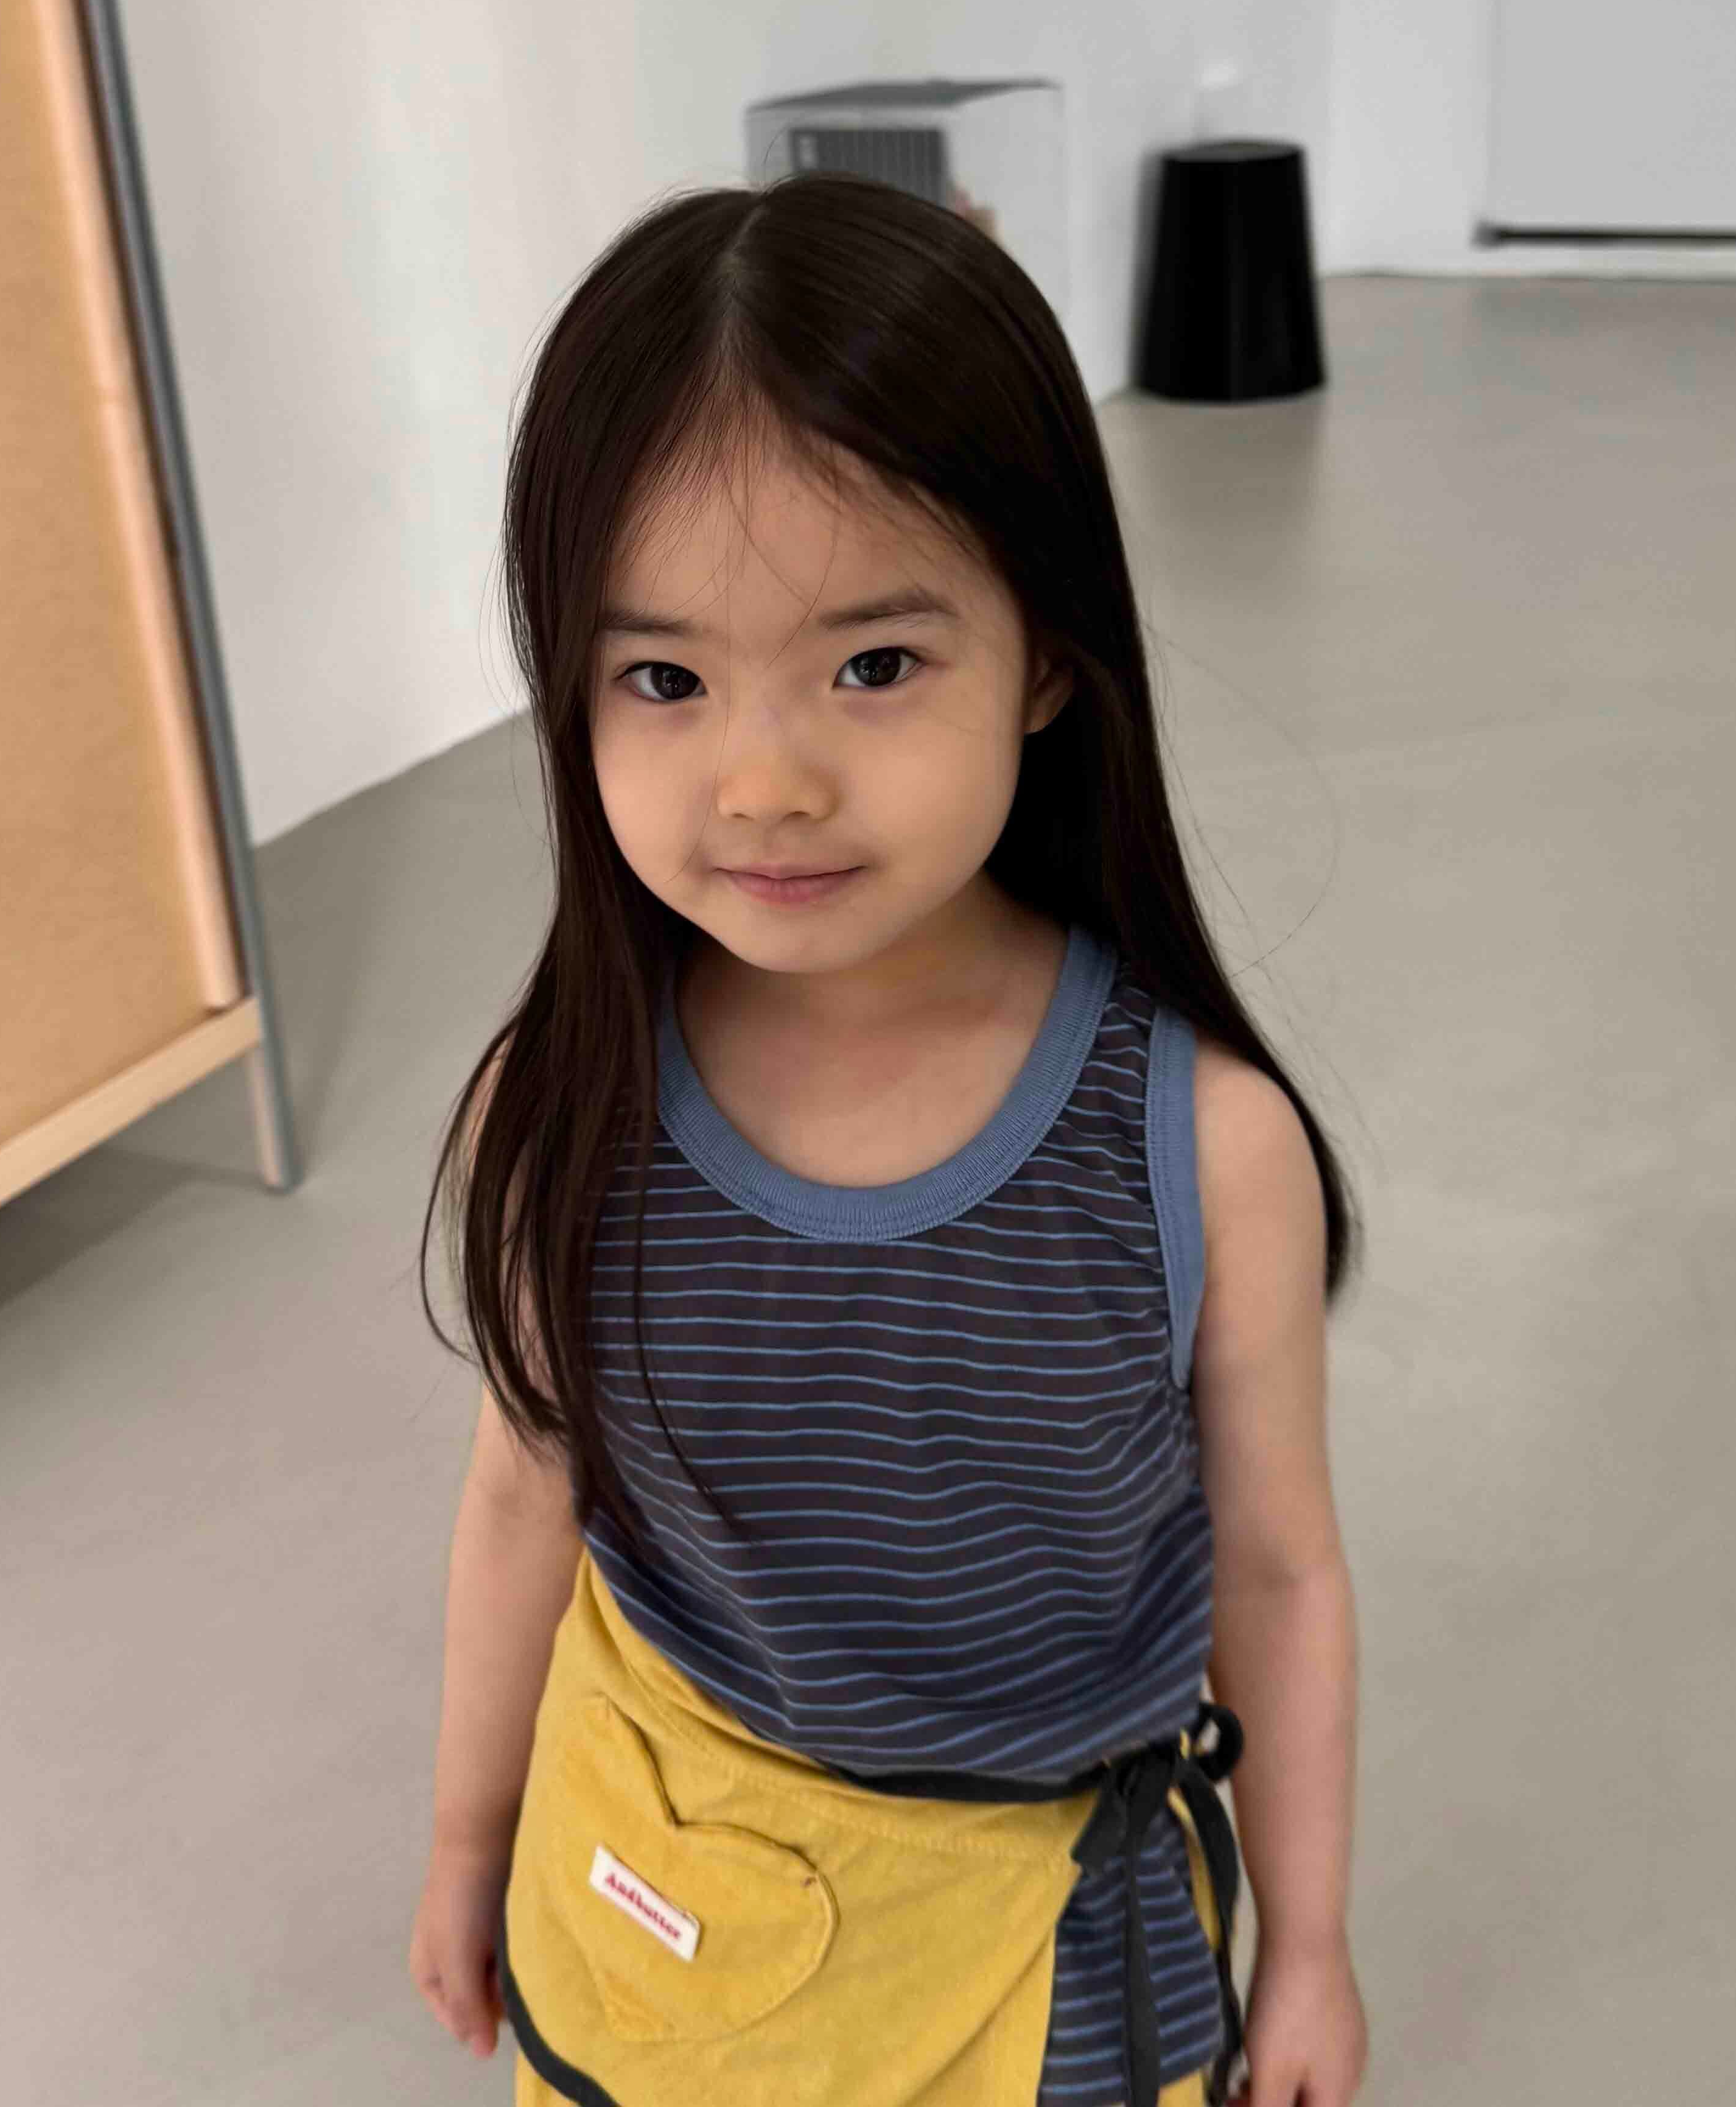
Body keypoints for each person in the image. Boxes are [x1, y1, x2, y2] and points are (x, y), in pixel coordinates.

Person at [405, 170, 1370, 2107]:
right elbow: (525, 1491)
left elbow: (1275, 1574)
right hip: (665, 1894)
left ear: (1046, 655)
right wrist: (466, 1831)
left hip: (1040, 1958)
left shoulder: (1198, 1146)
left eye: (871, 665)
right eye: (663, 677)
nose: (765, 779)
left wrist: (1309, 1943)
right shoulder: (568, 1095)